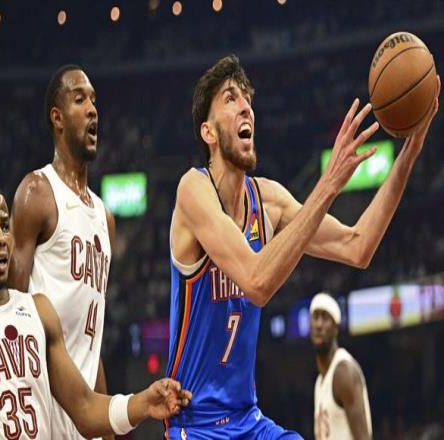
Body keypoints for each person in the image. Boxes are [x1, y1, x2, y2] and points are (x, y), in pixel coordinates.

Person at [164, 54, 440, 439]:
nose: (245, 106)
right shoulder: (193, 190)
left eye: (247, 98)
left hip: (248, 420)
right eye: (230, 98)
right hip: (196, 425)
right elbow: (256, 282)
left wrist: (409, 154)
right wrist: (327, 185)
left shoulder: (268, 200)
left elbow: (357, 246)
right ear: (208, 132)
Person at [0, 179, 191, 438]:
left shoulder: (39, 312)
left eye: (5, 227)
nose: (1, 239)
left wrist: (143, 402)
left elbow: (85, 407)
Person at [8, 65, 115, 439]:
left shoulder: (105, 218)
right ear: (57, 117)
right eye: (80, 99)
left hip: (85, 418)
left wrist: (106, 427)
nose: (92, 109)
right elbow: (10, 313)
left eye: (94, 101)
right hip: (42, 414)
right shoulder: (37, 192)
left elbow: (92, 338)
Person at [310, 293, 372, 440]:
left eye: (325, 318)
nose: (319, 325)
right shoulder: (319, 383)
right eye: (315, 317)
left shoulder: (344, 371)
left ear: (336, 327)